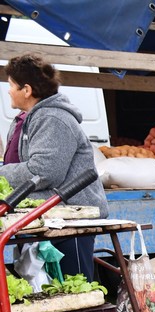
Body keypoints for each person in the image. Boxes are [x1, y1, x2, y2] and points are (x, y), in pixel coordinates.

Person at [2, 53, 108, 280]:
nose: (8, 90)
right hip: (47, 218)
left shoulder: (53, 119)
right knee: (46, 295)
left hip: (71, 223)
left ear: (27, 90)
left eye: (11, 85)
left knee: (74, 296)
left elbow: (43, 171)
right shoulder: (26, 118)